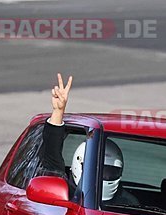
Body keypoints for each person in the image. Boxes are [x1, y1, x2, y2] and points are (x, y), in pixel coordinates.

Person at [41, 73, 138, 205]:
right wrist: (58, 111)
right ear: (79, 165)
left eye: (110, 172)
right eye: (97, 169)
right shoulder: (63, 190)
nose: (105, 177)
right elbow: (51, 151)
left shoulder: (128, 203)